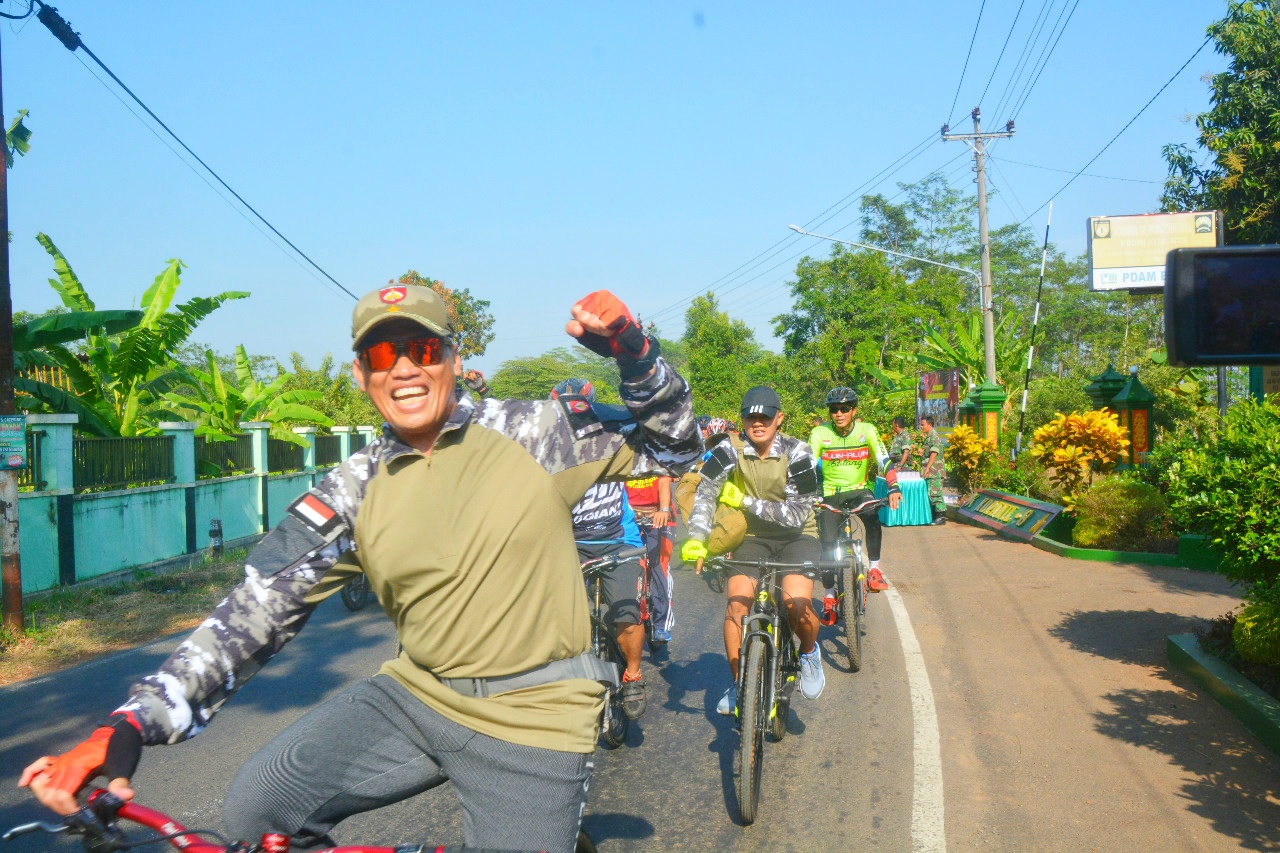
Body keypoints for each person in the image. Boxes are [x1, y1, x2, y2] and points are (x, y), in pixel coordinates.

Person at [19, 286, 700, 853]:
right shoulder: (353, 485)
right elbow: (254, 611)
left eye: (423, 349)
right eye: (382, 353)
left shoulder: (537, 431)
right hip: (416, 695)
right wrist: (130, 724)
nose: (403, 368)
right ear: (361, 374)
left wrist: (636, 357)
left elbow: (676, 445)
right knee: (260, 811)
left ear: (453, 359)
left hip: (533, 712)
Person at [680, 386, 825, 716]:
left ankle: (808, 651)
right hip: (752, 534)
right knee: (736, 606)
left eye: (765, 417)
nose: (757, 423)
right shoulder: (728, 450)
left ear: (779, 418)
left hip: (797, 534)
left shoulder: (799, 451)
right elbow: (705, 494)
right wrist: (698, 537)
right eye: (751, 417)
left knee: (795, 603)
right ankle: (741, 684)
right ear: (742, 419)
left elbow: (795, 514)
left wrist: (743, 501)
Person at [552, 377, 650, 719]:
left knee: (626, 619)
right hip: (569, 546)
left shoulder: (614, 439)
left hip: (618, 543)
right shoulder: (547, 450)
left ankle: (634, 673)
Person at [806, 388, 901, 626]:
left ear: (854, 411)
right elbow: (807, 464)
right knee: (827, 545)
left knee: (872, 516)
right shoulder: (820, 432)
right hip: (831, 494)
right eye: (834, 410)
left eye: (844, 409)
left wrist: (894, 487)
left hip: (860, 490)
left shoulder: (867, 430)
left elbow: (884, 459)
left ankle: (875, 570)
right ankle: (829, 597)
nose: (838, 414)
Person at [625, 470, 676, 646]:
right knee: (624, 563)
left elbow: (664, 483)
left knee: (659, 566)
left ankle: (662, 624)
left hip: (659, 515)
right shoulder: (624, 457)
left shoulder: (657, 454)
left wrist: (663, 509)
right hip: (630, 516)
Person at [920, 414, 947, 525]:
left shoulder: (934, 436)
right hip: (931, 470)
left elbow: (934, 454)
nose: (921, 427)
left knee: (935, 493)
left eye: (923, 425)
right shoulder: (929, 437)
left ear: (930, 425)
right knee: (931, 493)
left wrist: (928, 468)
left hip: (935, 471)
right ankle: (935, 515)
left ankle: (941, 516)